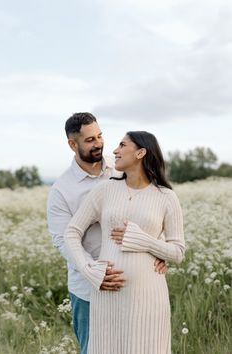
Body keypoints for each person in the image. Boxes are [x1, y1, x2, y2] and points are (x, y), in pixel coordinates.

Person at [47, 114, 167, 354]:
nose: (99, 143)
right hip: (89, 289)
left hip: (134, 286)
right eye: (90, 139)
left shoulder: (121, 169)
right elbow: (63, 239)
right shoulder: (61, 190)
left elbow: (149, 210)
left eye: (100, 135)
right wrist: (94, 271)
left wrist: (159, 248)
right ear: (73, 144)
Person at [64, 130, 185, 354]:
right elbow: (71, 232)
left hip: (149, 296)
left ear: (140, 152)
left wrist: (145, 241)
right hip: (108, 295)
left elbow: (177, 252)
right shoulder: (105, 190)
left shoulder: (166, 197)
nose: (114, 151)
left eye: (122, 145)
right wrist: (89, 269)